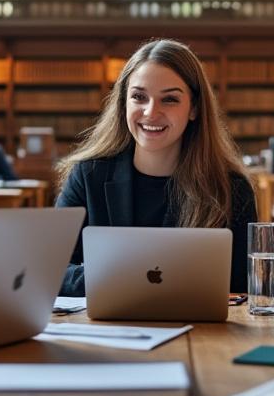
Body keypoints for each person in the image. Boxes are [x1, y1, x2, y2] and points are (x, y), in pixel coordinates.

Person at [56, 39, 255, 295]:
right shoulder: (88, 176)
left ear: (194, 108)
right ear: (124, 102)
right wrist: (122, 278)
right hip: (105, 319)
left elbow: (245, 286)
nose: (151, 112)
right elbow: (51, 269)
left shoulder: (231, 188)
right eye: (139, 97)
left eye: (169, 99)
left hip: (196, 321)